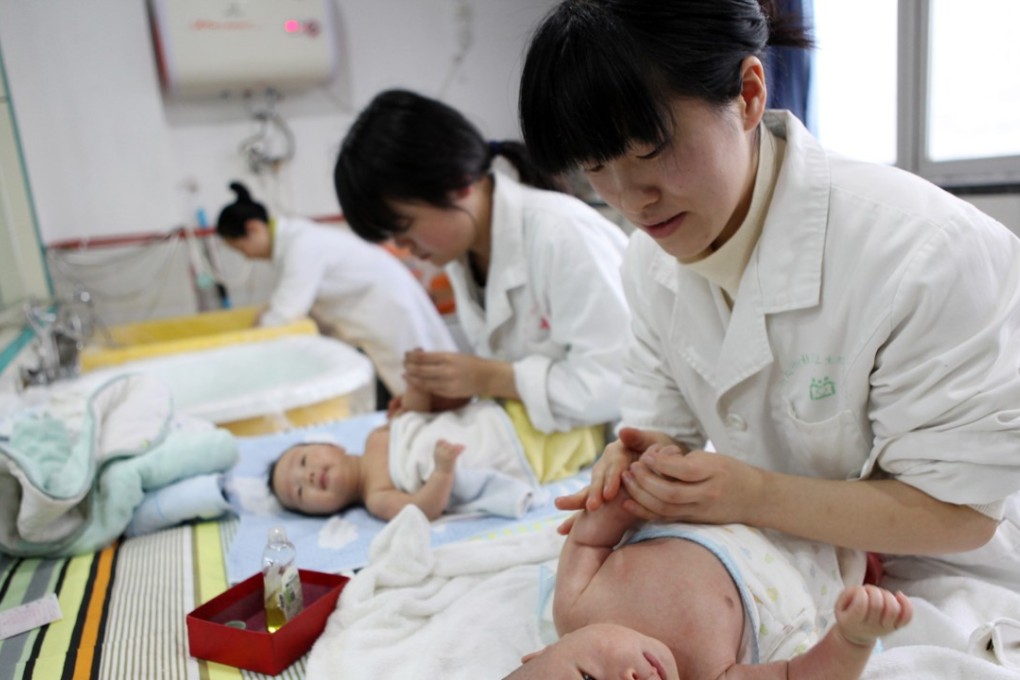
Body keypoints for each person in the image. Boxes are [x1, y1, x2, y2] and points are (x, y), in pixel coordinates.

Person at [518, 0, 1020, 600]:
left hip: (948, 573)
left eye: (649, 149)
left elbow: (962, 514)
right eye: (595, 166)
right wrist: (641, 465)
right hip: (796, 560)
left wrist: (753, 494)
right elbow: (659, 428)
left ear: (749, 94)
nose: (631, 198)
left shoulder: (925, 252)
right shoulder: (649, 261)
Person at [333, 90, 631, 478]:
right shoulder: (465, 254)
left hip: (624, 447)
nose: (403, 248)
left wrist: (490, 377)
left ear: (458, 183)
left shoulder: (563, 235)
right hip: (560, 452)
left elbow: (617, 380)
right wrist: (453, 395)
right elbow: (520, 369)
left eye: (404, 228)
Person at [505, 484, 913, 680]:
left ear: (540, 654)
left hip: (726, 496)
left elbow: (590, 534)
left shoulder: (575, 605)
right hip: (826, 542)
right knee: (888, 510)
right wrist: (853, 639)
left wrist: (628, 487)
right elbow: (797, 676)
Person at [215, 181, 457, 402]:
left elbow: (286, 312)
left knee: (426, 388)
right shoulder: (293, 243)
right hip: (376, 317)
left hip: (389, 313)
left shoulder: (301, 245)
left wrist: (246, 346)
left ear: (254, 228)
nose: (245, 256)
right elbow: (282, 300)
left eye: (240, 247)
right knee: (414, 389)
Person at [268, 377, 600, 520]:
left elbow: (416, 418)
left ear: (328, 444)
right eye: (299, 492)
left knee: (574, 403)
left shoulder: (376, 437)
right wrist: (442, 472)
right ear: (321, 512)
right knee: (587, 440)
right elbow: (424, 509)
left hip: (495, 418)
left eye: (303, 460)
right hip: (510, 456)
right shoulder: (377, 497)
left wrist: (416, 386)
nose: (308, 476)